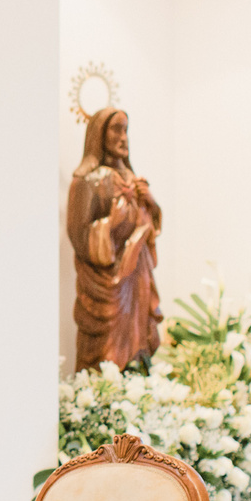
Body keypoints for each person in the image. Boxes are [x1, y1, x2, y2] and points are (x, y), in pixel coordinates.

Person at [66, 106, 162, 372]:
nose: (123, 138)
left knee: (138, 344)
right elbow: (79, 236)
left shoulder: (132, 179)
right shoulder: (86, 181)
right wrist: (111, 224)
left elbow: (150, 227)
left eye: (126, 130)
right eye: (116, 130)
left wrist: (150, 203)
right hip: (107, 285)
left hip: (137, 276)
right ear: (99, 134)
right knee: (106, 356)